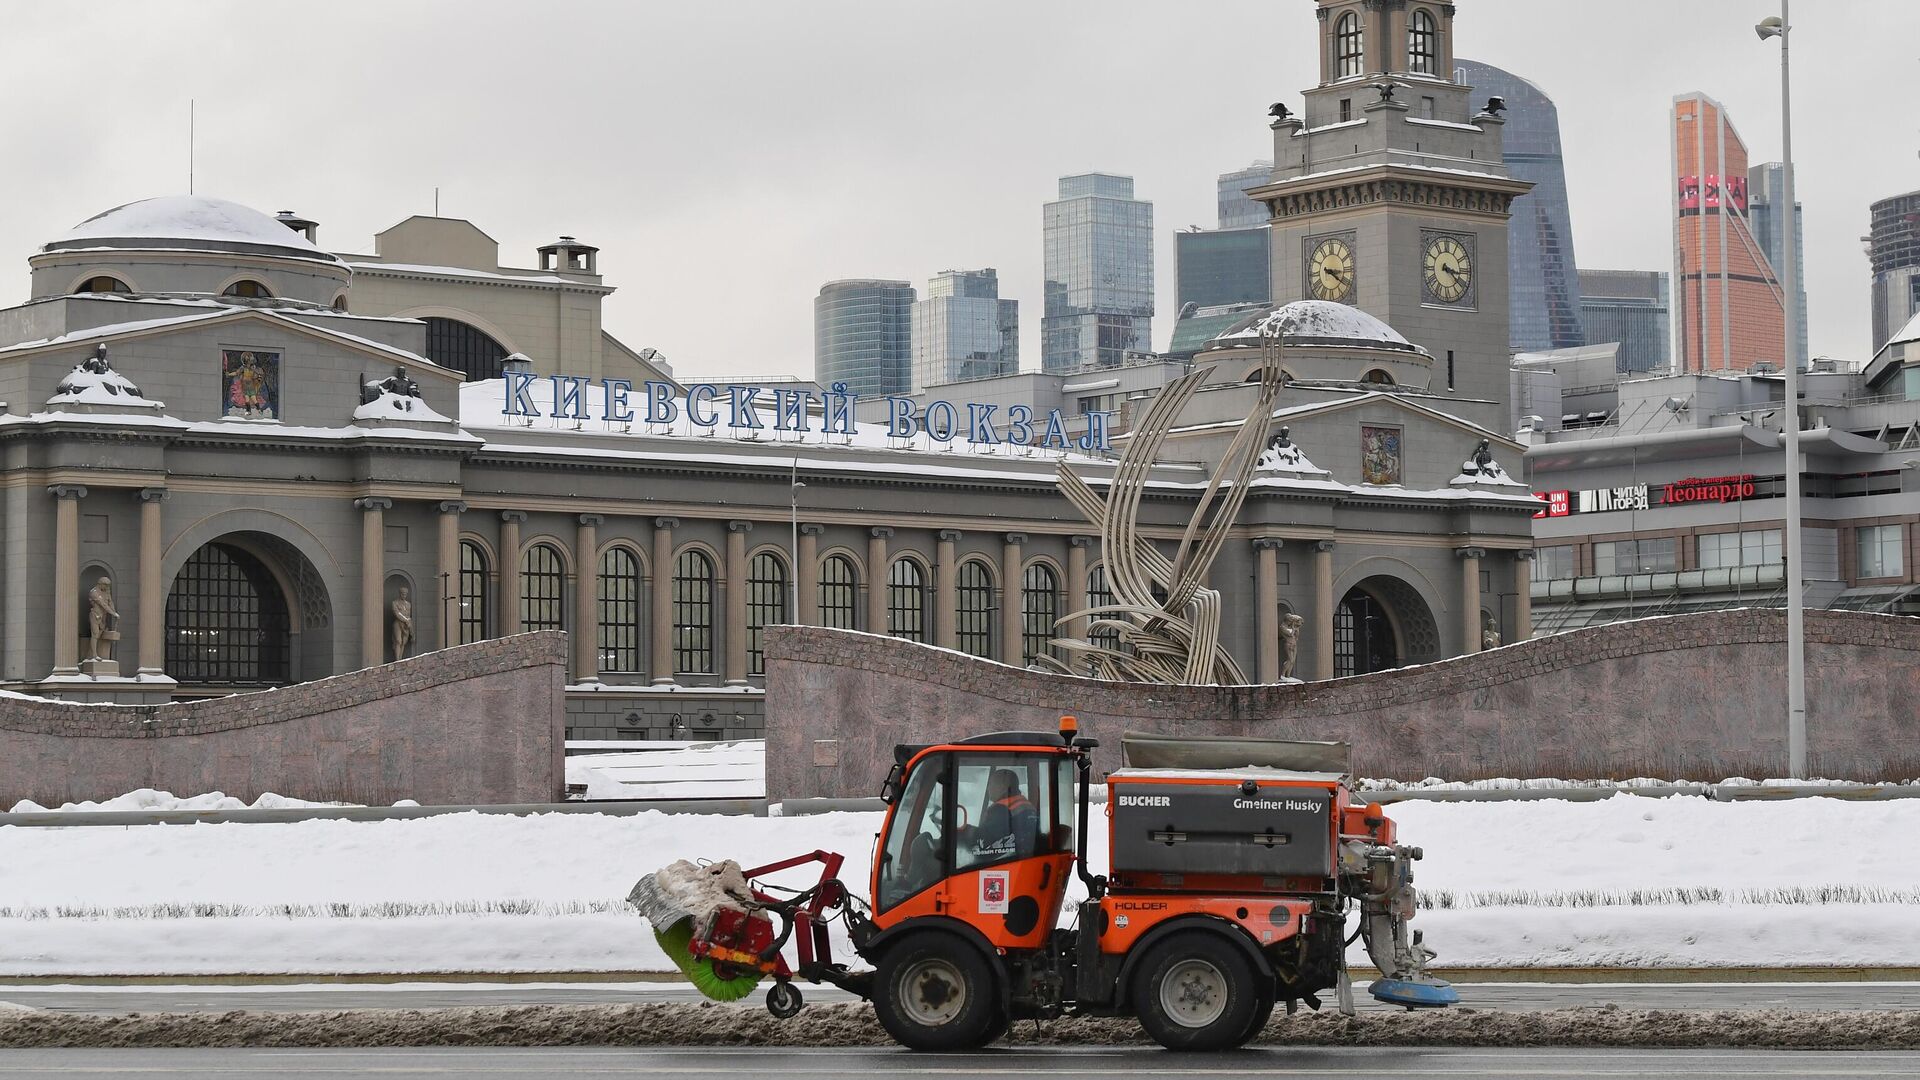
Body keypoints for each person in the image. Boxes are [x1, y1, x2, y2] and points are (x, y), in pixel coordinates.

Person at [972, 769, 1037, 861]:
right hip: (1019, 857)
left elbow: (983, 841)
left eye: (991, 784)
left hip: (1006, 861)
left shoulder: (1001, 809)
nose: (988, 788)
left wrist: (965, 833)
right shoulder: (1026, 805)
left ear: (1002, 786)